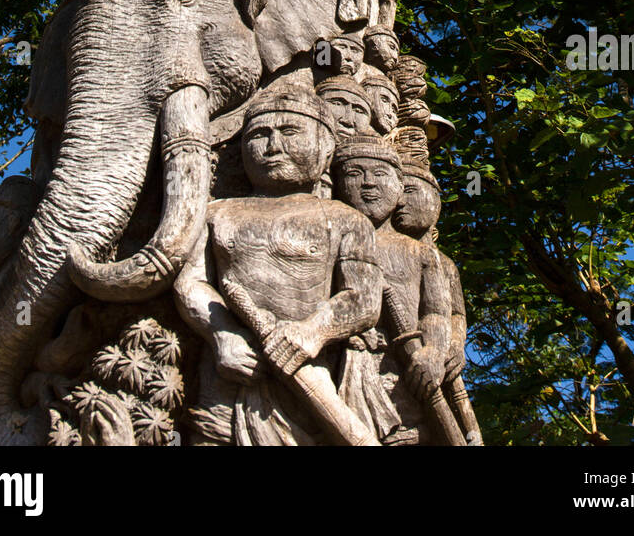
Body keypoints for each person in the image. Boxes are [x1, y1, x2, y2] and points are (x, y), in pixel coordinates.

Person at [173, 87, 382, 446]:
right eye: (258, 135)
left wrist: (312, 332)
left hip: (314, 382)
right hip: (232, 382)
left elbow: (363, 298)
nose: (272, 146)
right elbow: (190, 282)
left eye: (289, 133)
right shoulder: (216, 214)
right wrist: (222, 334)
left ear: (326, 147)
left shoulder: (345, 220)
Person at [331, 135, 452, 445]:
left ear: (400, 190)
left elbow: (436, 311)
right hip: (343, 367)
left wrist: (433, 352)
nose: (368, 183)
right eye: (355, 174)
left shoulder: (421, 253)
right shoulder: (328, 238)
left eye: (380, 174)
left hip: (404, 373)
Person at [393, 164, 484, 445]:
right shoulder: (385, 247)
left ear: (434, 201)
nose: (400, 201)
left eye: (409, 191)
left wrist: (456, 344)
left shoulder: (445, 264)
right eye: (397, 192)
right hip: (402, 355)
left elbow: (456, 312)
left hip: (441, 360)